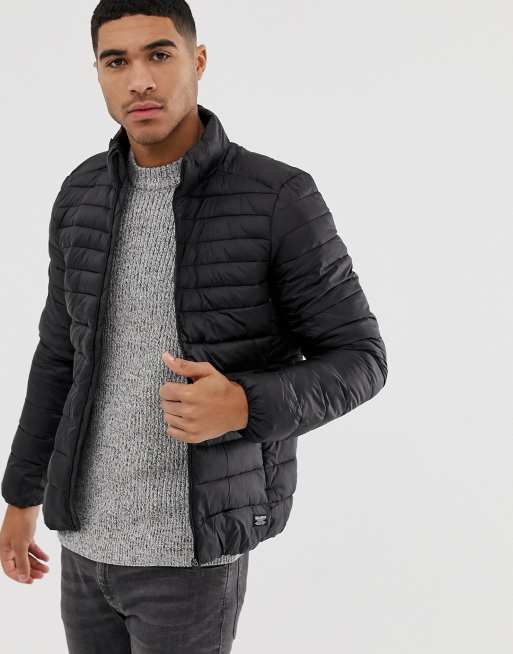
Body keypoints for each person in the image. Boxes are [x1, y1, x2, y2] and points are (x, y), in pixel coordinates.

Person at [0, 1, 388, 652]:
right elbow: (59, 356)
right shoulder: (81, 193)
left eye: (159, 54)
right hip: (83, 546)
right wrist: (21, 496)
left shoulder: (276, 196)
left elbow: (362, 358)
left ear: (198, 61)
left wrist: (244, 404)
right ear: (98, 74)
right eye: (116, 62)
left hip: (191, 557)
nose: (139, 81)